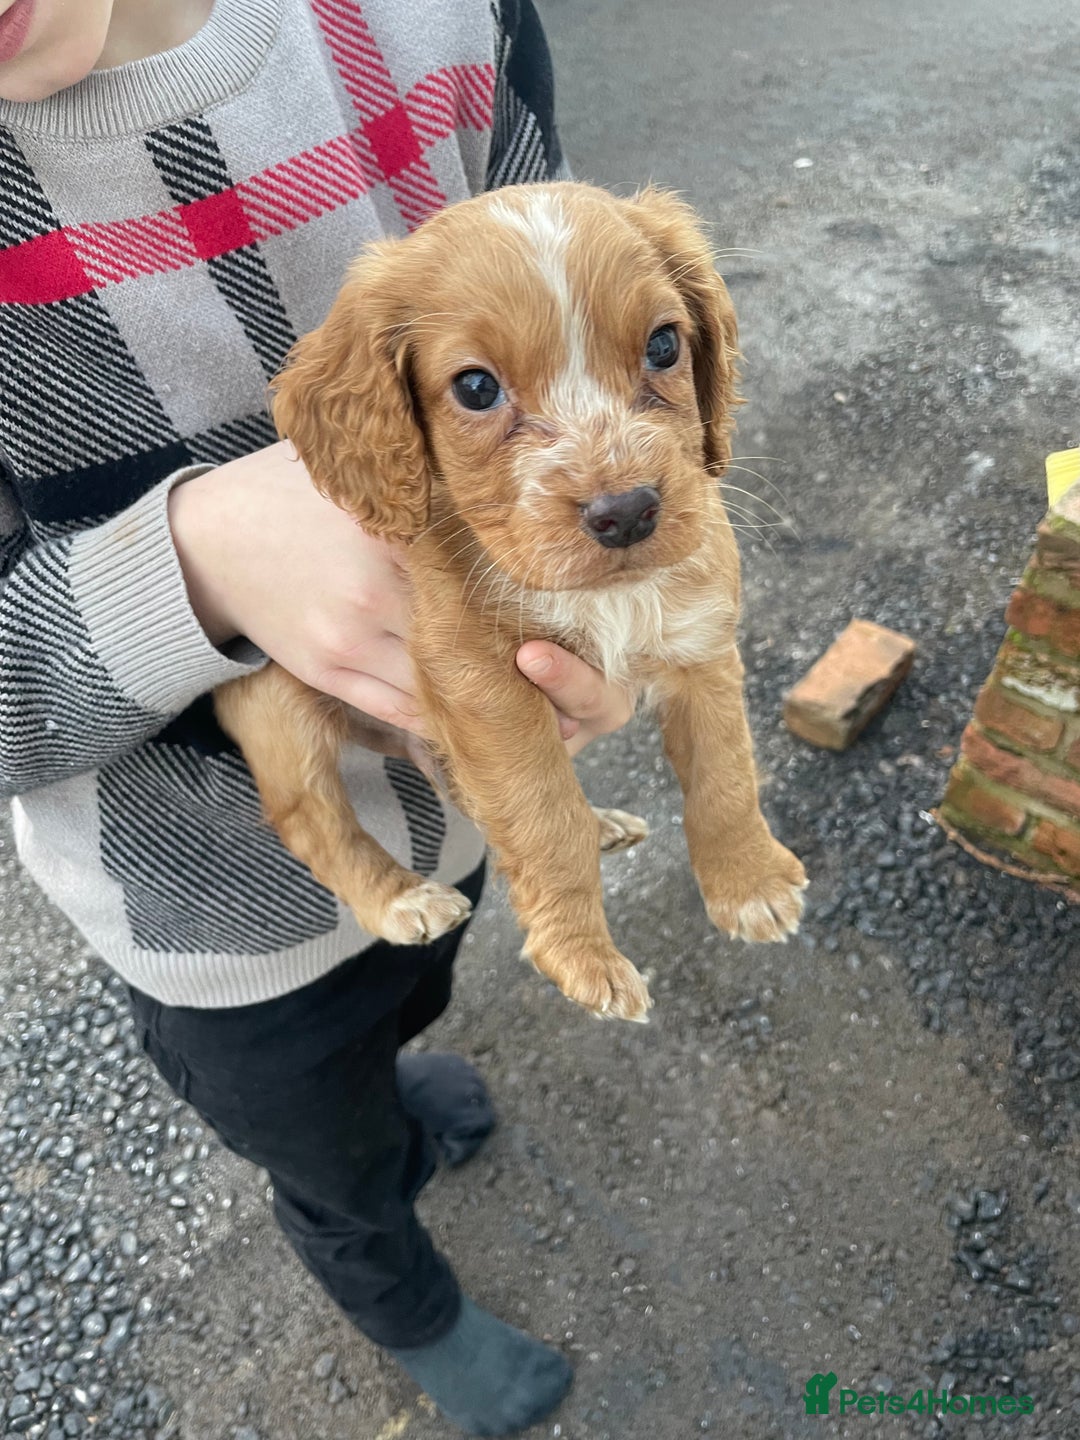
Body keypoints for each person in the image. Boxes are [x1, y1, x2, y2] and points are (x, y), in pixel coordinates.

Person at [0, 1, 635, 1432]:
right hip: (214, 920)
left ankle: (400, 1087)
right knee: (327, 1147)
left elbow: (580, 355)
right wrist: (196, 557)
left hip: (454, 815)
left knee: (414, 991)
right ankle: (404, 1300)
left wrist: (593, 605)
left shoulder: (447, 21)